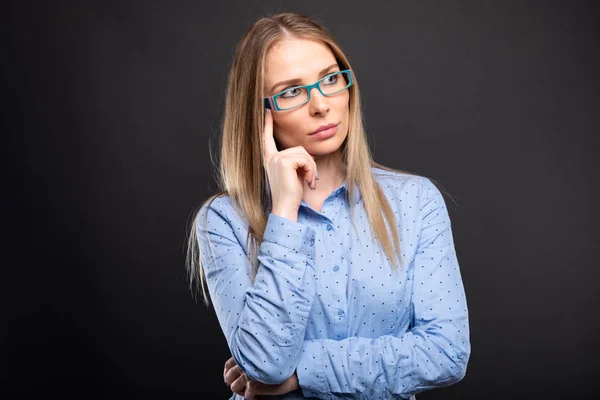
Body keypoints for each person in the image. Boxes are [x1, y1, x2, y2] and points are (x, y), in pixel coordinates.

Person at [185, 11, 471, 400]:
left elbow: (446, 352)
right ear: (258, 113)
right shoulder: (223, 221)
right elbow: (266, 364)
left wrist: (302, 372)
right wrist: (284, 210)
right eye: (290, 91)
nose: (320, 105)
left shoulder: (416, 201)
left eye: (331, 79)